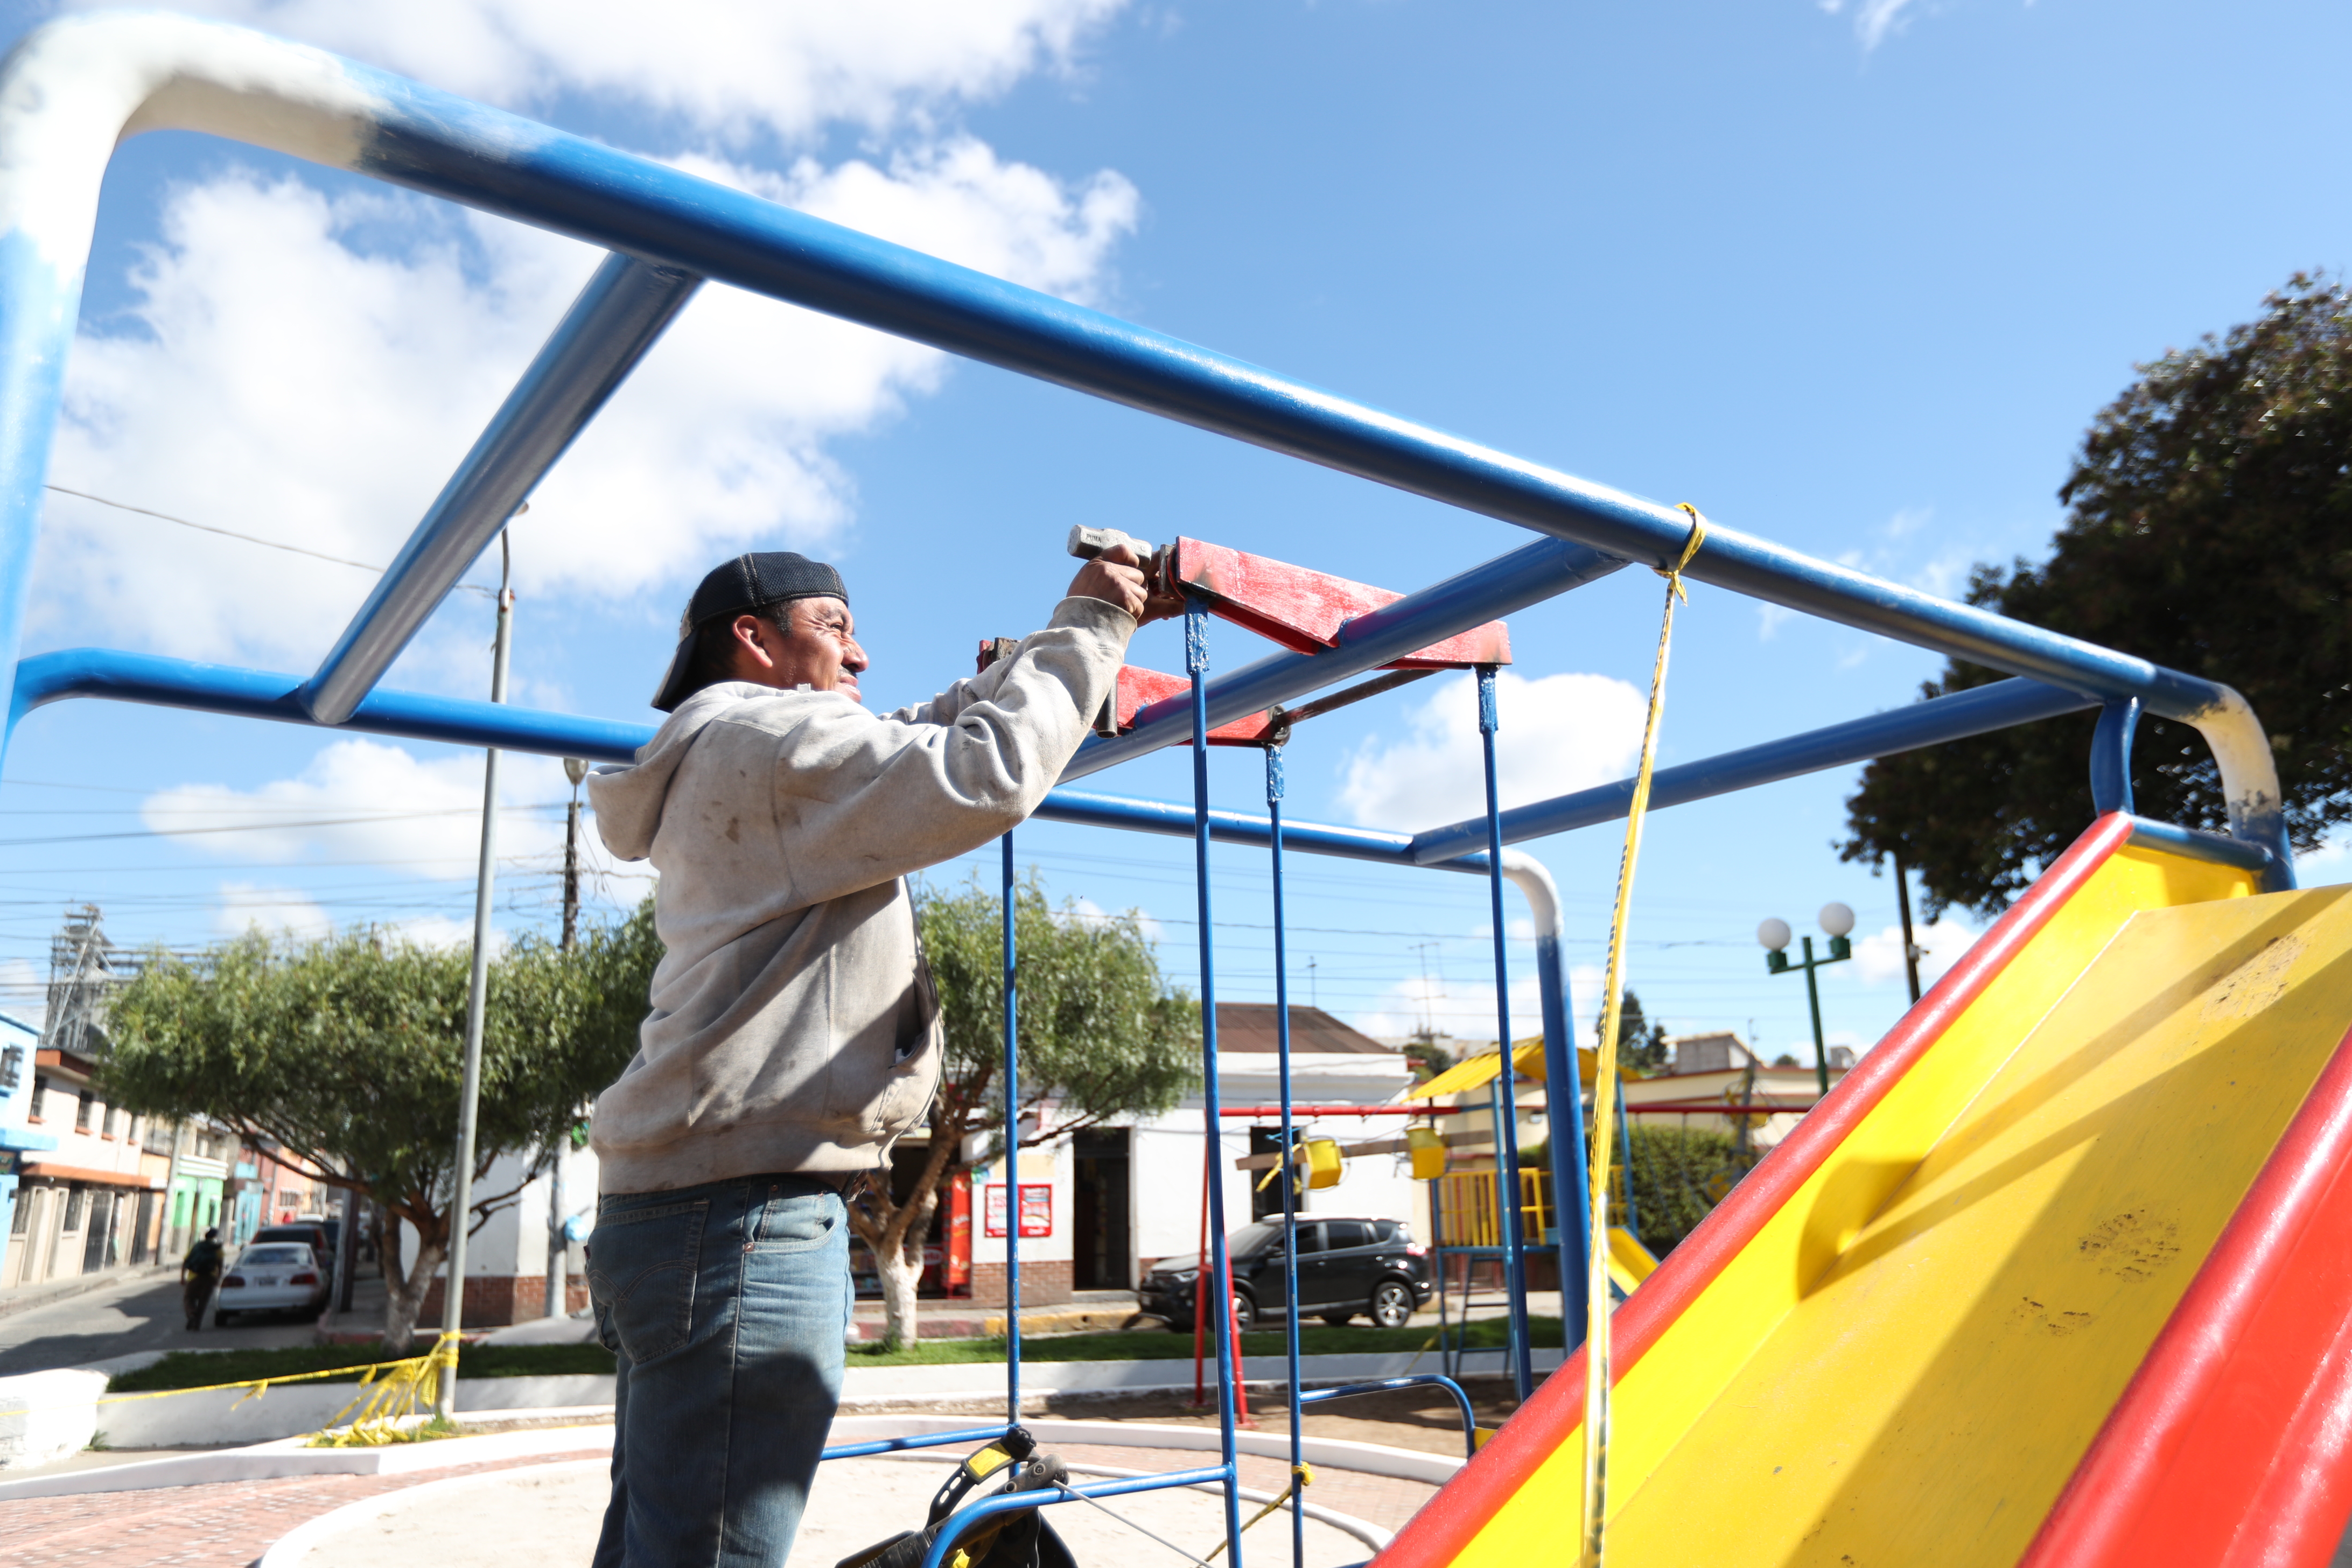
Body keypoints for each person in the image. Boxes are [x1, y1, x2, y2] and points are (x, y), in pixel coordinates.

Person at [583, 542, 1173, 1568]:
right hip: (745, 1220)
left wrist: (1040, 657)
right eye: (835, 628)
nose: (860, 654)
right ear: (753, 638)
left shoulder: (724, 752)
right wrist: (1091, 623)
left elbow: (910, 734)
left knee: (659, 1539)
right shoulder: (772, 739)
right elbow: (980, 773)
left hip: (676, 1211)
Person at [180, 1227, 223, 1332]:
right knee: (203, 1302)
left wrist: (182, 1277)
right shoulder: (218, 1249)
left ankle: (191, 1314)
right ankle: (197, 1325)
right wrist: (218, 1278)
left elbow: (186, 1261)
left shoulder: (197, 1246)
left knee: (189, 1298)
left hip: (194, 1277)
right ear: (215, 1237)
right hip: (210, 1277)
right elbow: (220, 1265)